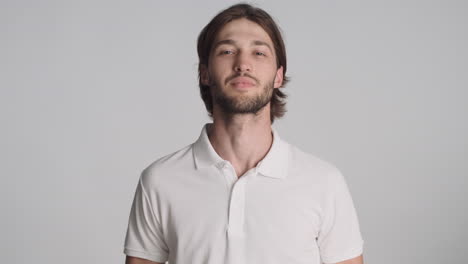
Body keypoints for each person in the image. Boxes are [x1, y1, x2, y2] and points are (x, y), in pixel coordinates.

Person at [123, 3, 364, 264]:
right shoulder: (160, 181)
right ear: (204, 73)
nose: (243, 64)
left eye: (259, 53)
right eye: (227, 51)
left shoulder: (324, 183)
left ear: (278, 76)